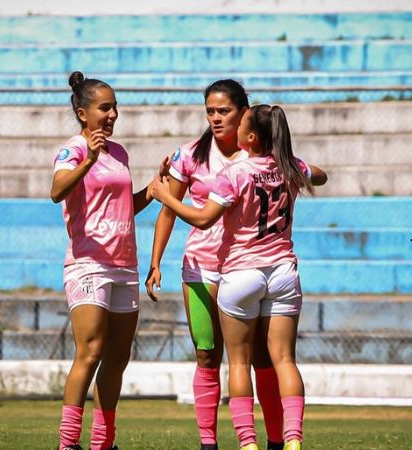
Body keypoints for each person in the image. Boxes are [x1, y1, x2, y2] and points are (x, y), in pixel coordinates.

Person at [150, 104, 327, 450]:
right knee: (284, 360)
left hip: (241, 273)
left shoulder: (235, 172)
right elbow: (319, 175)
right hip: (283, 273)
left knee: (240, 361)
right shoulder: (290, 167)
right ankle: (292, 441)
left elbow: (203, 219)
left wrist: (163, 195)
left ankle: (247, 443)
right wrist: (298, 166)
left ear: (249, 137)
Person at [51, 71, 169, 450]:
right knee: (91, 351)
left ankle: (103, 443)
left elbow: (120, 208)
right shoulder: (71, 150)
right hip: (89, 264)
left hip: (124, 266)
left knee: (118, 357)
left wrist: (150, 191)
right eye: (105, 107)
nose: (113, 113)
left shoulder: (119, 153)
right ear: (83, 113)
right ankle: (68, 443)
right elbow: (56, 192)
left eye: (115, 106)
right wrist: (87, 161)